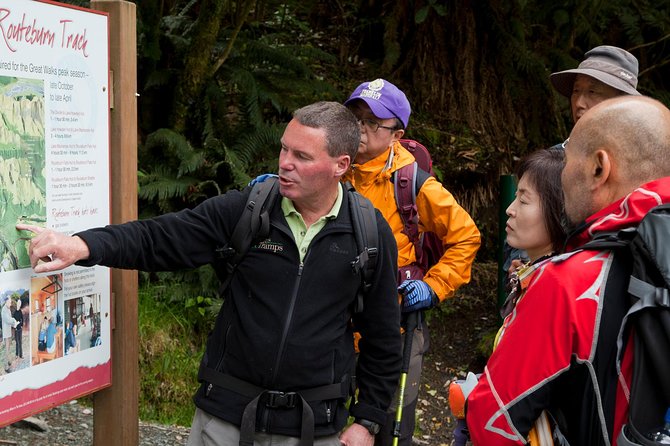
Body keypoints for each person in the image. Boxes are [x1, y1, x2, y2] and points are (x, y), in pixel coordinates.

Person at [17, 101, 402, 446]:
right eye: (284, 148)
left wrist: (367, 421)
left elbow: (382, 336)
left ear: (341, 166)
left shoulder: (367, 234)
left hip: (314, 427)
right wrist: (82, 246)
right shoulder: (248, 211)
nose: (284, 162)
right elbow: (160, 237)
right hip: (225, 419)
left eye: (301, 156)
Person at [466, 95, 670, 445]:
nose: (562, 178)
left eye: (567, 163)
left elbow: (493, 422)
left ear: (598, 168)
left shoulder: (568, 282)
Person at [343, 78, 481, 446]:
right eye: (355, 117)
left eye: (373, 123)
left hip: (396, 324)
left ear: (396, 134)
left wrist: (433, 287)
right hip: (334, 320)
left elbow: (466, 236)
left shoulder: (412, 182)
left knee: (389, 425)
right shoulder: (334, 168)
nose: (360, 129)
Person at [503, 45, 642, 279]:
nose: (579, 102)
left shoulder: (646, 168)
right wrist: (525, 263)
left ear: (623, 103)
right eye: (576, 91)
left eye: (594, 92)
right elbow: (520, 229)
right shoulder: (556, 161)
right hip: (556, 289)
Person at [2, 296, 19, 373]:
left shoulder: (8, 309)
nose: (10, 303)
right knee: (6, 350)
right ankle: (6, 367)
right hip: (6, 334)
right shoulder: (4, 310)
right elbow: (8, 320)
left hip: (9, 332)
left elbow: (10, 321)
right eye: (9, 302)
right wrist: (13, 320)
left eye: (11, 302)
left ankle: (9, 361)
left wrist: (14, 324)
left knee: (8, 349)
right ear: (6, 302)